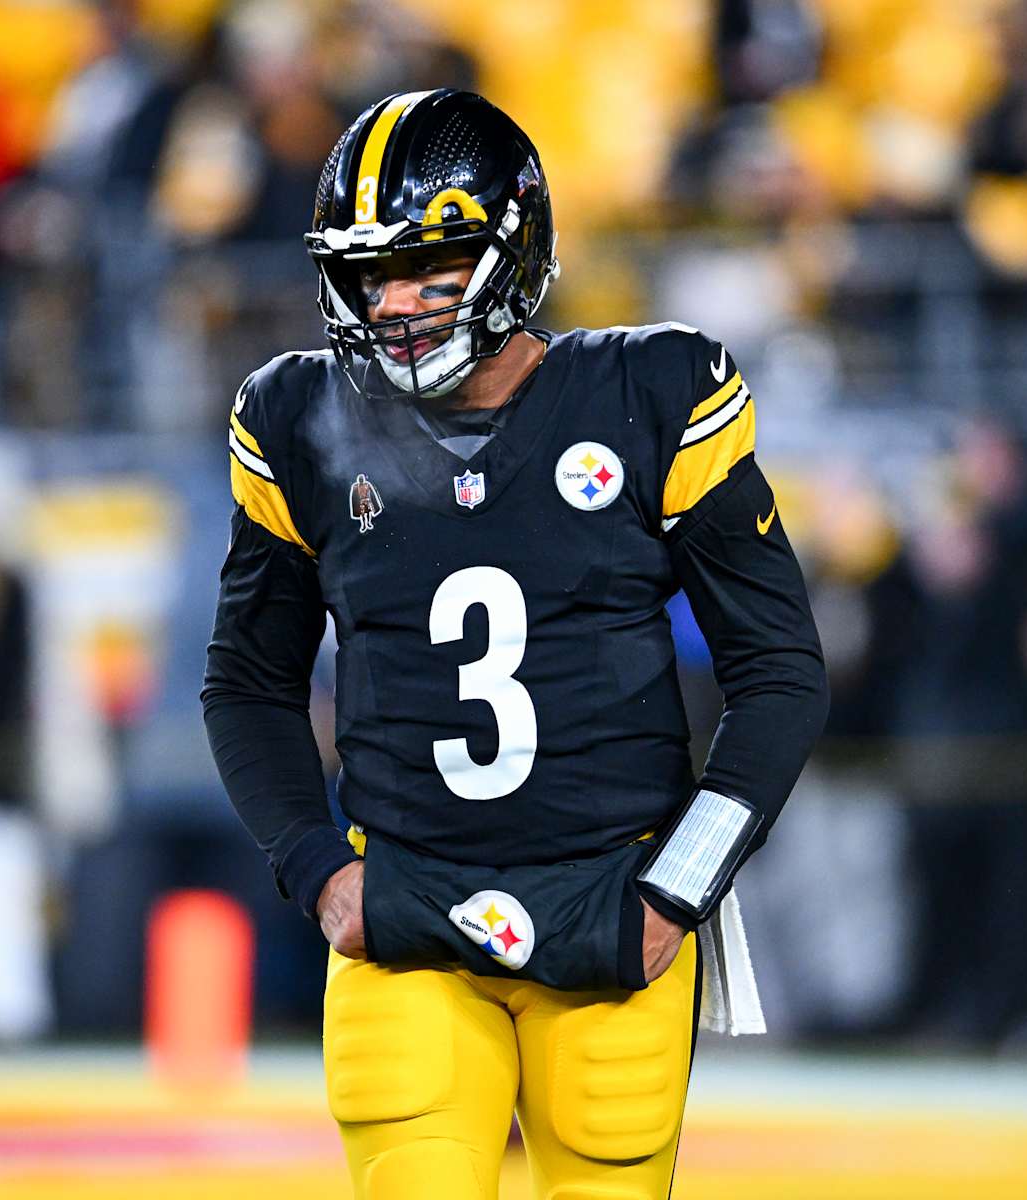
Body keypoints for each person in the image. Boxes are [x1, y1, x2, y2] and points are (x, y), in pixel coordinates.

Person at [202, 89, 828, 1200]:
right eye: (369, 274)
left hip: (609, 900)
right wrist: (319, 872)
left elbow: (779, 674)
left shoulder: (649, 395)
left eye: (428, 268)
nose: (393, 303)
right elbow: (248, 682)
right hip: (405, 911)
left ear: (513, 245)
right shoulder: (302, 420)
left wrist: (674, 892)